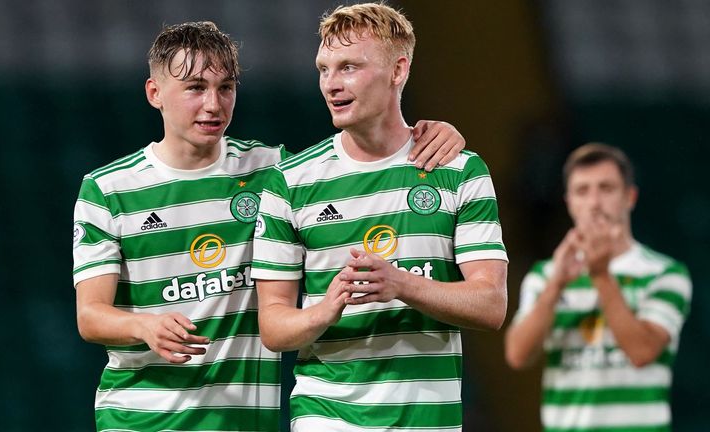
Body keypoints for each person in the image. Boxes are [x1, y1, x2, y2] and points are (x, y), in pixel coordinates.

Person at [72, 21, 468, 431]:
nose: (213, 104)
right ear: (155, 94)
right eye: (195, 88)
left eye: (225, 88)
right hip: (142, 418)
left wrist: (435, 132)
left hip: (246, 421)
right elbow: (91, 315)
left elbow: (355, 160)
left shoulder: (273, 171)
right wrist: (143, 325)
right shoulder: (108, 189)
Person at [251, 4, 509, 431]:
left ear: (398, 70)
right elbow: (274, 327)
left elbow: (491, 304)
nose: (331, 84)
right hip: (326, 413)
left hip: (428, 418)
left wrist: (400, 284)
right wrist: (324, 310)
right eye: (324, 69)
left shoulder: (460, 171)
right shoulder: (289, 182)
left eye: (349, 67)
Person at [504, 143, 692, 431]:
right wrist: (555, 286)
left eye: (606, 188)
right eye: (582, 191)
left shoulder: (665, 273)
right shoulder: (545, 275)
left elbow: (642, 351)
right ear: (569, 202)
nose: (594, 202)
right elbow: (518, 355)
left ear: (630, 197)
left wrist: (601, 275)